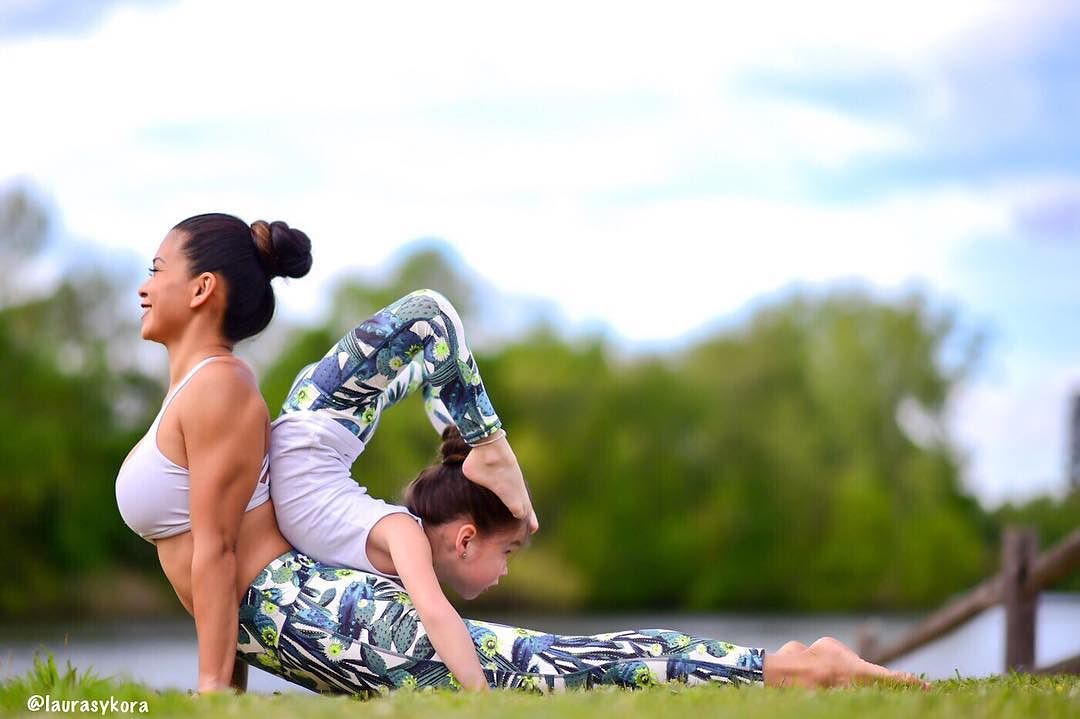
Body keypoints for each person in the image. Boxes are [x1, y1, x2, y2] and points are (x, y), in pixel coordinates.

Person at [114, 213, 925, 696]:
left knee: (560, 666)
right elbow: (214, 558)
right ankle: (792, 666)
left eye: (157, 267)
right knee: (566, 659)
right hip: (290, 609)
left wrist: (212, 698)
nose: (143, 283)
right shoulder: (209, 396)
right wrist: (222, 690)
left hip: (311, 612)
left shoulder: (220, 388)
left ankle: (800, 670)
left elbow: (219, 555)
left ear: (203, 288)